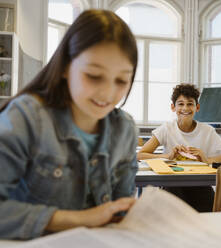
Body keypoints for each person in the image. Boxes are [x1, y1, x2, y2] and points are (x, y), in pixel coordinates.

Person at [0, 9, 139, 239]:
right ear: (65, 66)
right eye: (94, 76)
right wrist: (82, 219)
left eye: (122, 80)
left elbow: (118, 212)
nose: (108, 93)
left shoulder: (124, 129)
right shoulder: (26, 117)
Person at [138, 83, 221, 211]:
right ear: (173, 107)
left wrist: (206, 159)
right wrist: (167, 156)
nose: (185, 108)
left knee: (210, 214)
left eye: (190, 104)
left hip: (200, 184)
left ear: (197, 107)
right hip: (172, 184)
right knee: (176, 213)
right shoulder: (167, 128)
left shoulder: (207, 130)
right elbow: (140, 154)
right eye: (181, 104)